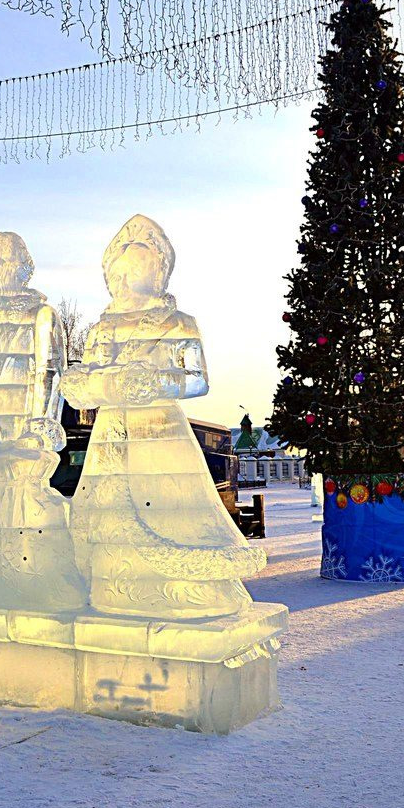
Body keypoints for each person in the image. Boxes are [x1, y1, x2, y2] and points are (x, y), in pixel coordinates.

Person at [63, 215, 265, 619]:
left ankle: (184, 586)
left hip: (160, 433)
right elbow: (87, 379)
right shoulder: (101, 328)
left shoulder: (177, 323)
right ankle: (113, 586)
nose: (138, 272)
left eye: (149, 263)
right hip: (111, 438)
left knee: (173, 512)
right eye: (131, 264)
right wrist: (85, 383)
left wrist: (148, 382)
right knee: (109, 515)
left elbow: (196, 380)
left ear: (162, 270)